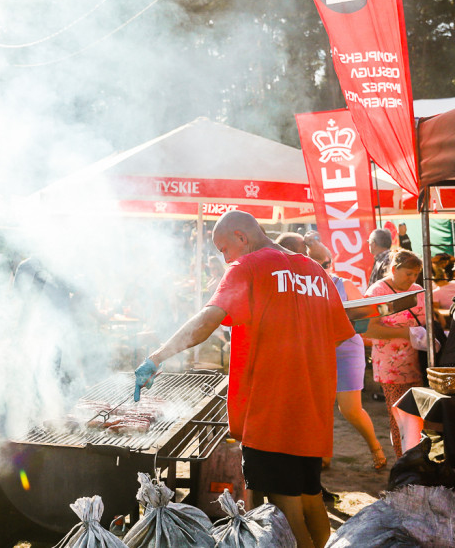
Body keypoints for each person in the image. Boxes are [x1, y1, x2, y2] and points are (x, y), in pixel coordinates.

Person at [134, 211, 353, 548]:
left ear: (241, 237)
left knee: (286, 512)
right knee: (311, 498)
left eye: (224, 249)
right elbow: (338, 334)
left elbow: (207, 321)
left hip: (271, 408)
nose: (225, 259)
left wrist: (156, 357)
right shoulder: (316, 272)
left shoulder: (248, 267)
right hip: (312, 405)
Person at [306, 240, 388, 470]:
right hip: (317, 351)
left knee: (349, 408)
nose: (325, 267)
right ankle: (324, 456)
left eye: (328, 263)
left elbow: (364, 322)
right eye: (319, 263)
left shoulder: (345, 285)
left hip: (346, 351)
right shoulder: (302, 287)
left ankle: (375, 447)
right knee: (320, 407)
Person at [364, 249, 426, 460]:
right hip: (392, 368)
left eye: (415, 274)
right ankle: (405, 464)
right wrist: (405, 333)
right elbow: (369, 329)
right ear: (393, 269)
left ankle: (417, 460)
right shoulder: (379, 292)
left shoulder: (418, 290)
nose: (412, 279)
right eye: (408, 273)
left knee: (417, 418)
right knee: (400, 417)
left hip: (419, 364)